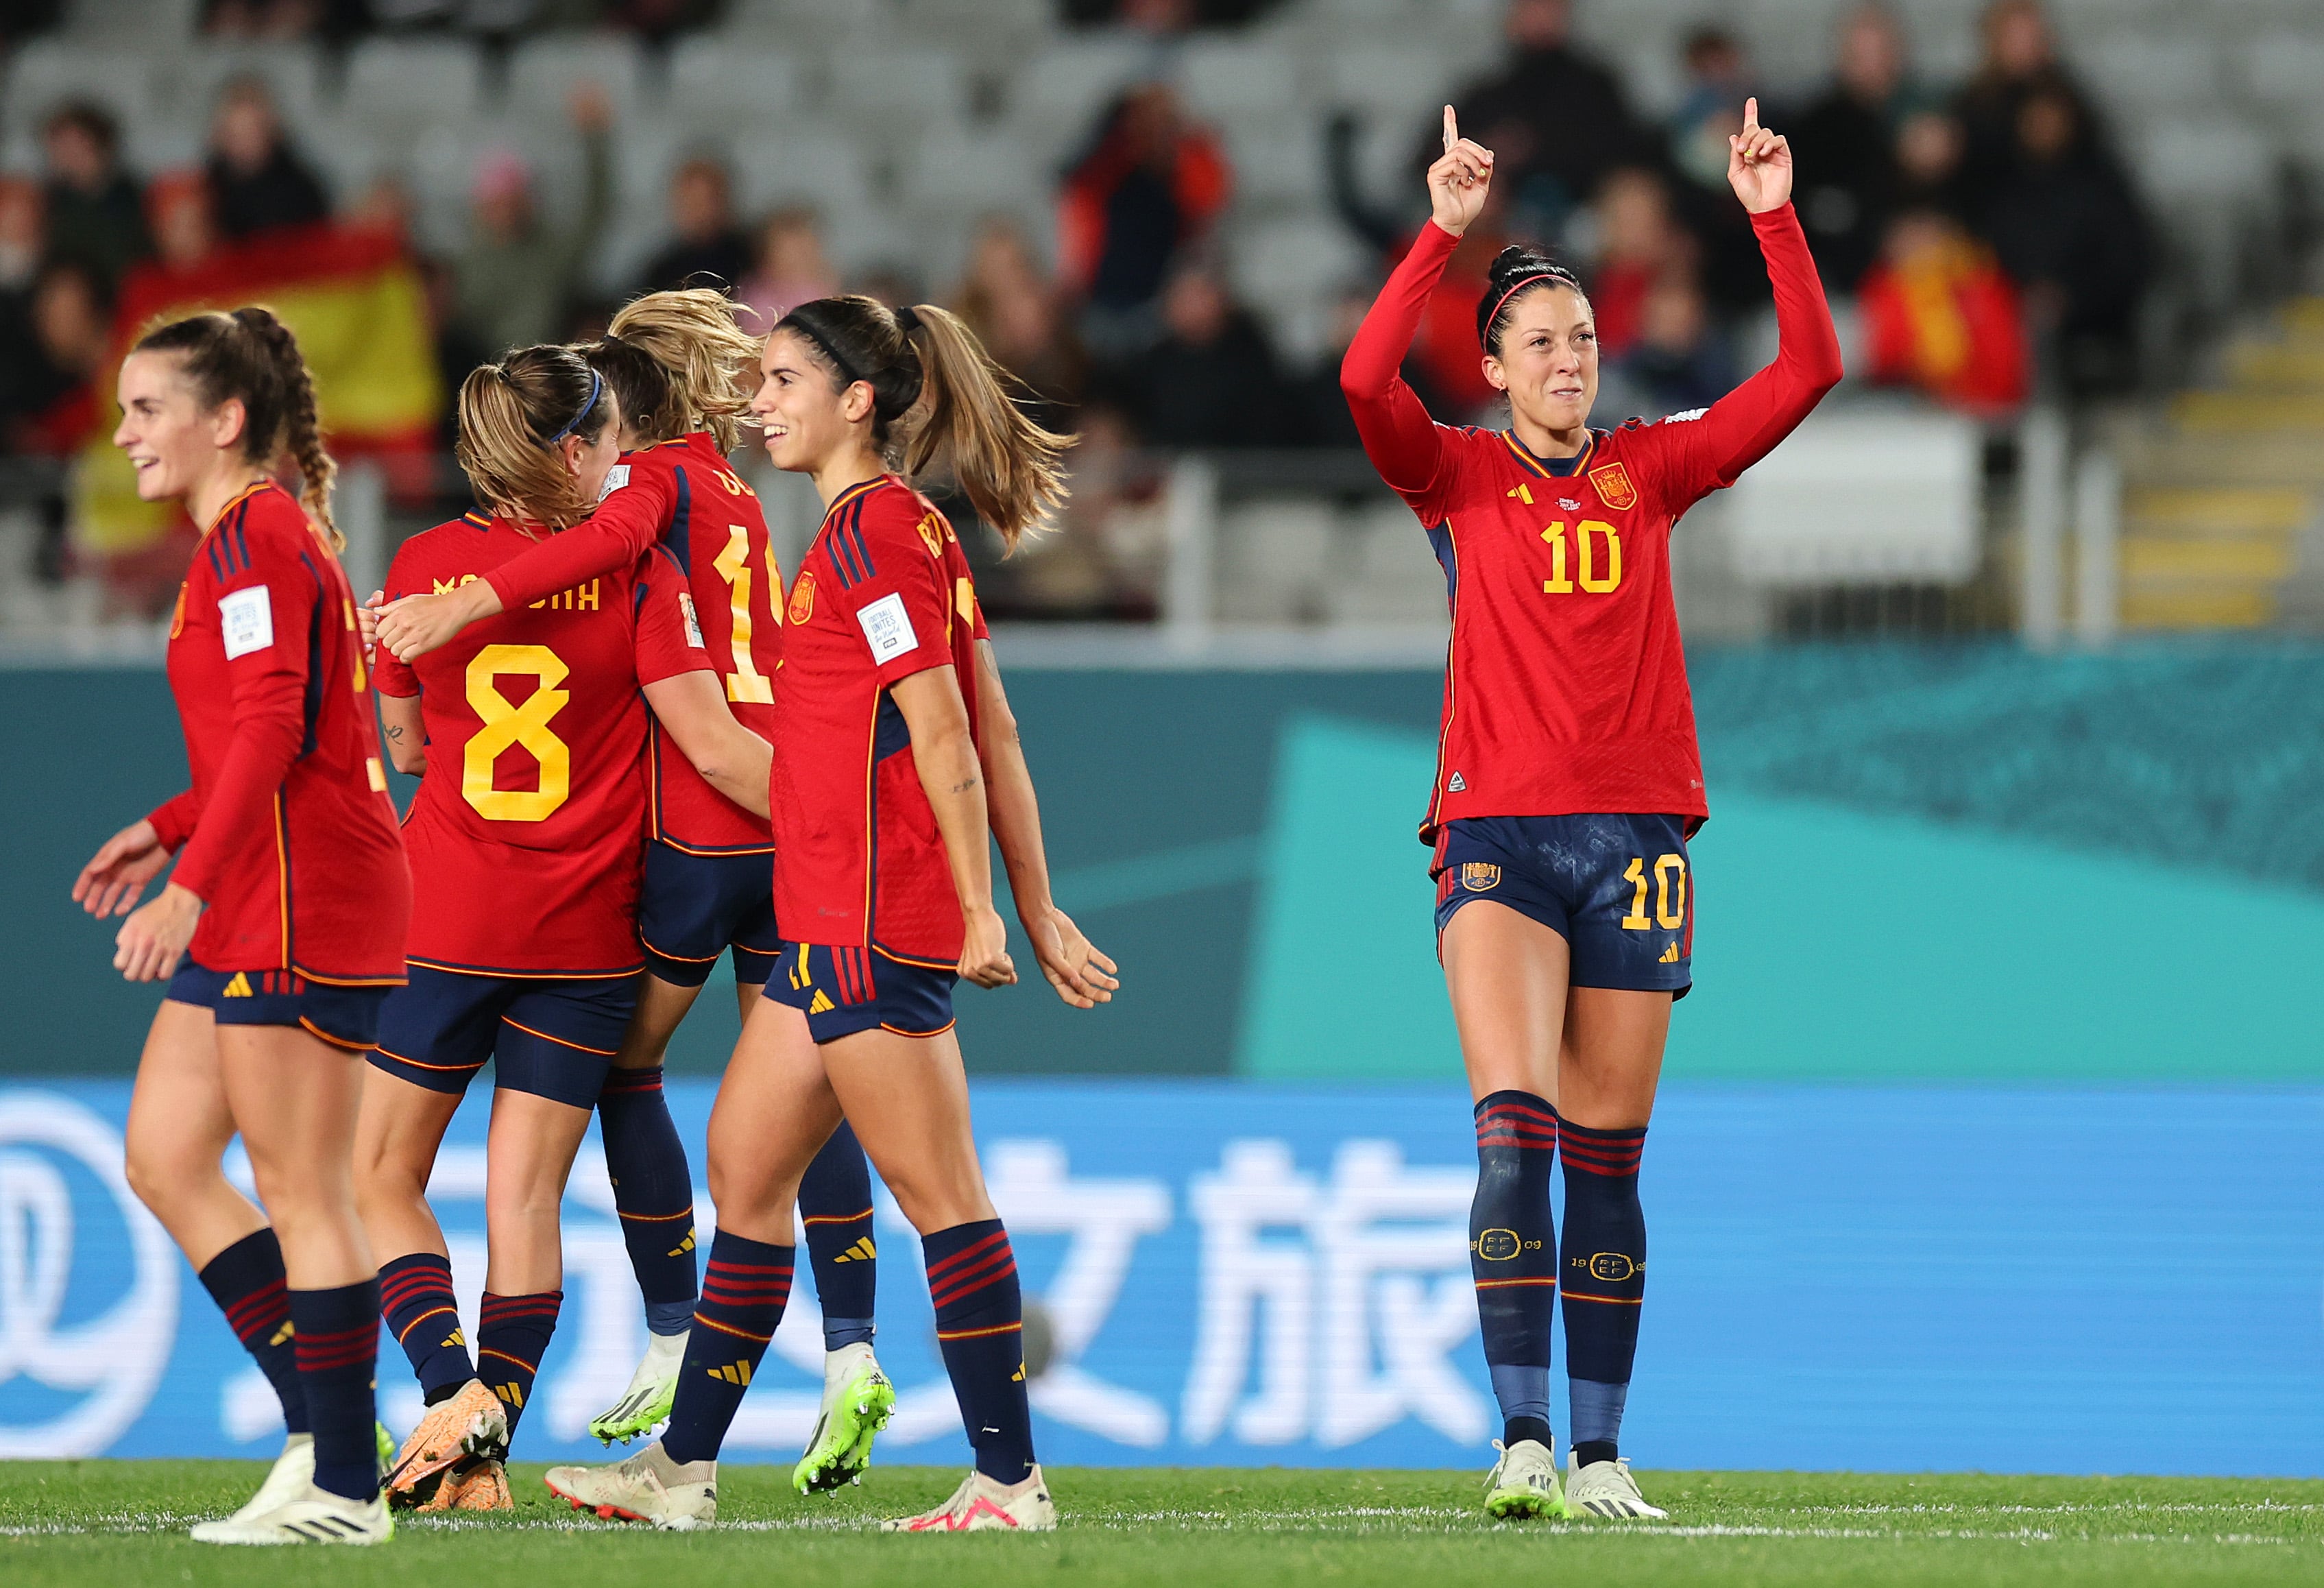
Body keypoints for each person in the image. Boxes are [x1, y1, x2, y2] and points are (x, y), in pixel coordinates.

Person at [534, 295, 1117, 1532]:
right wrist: (1038, 899)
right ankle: (680, 1475)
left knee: (944, 1200)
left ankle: (1010, 1482)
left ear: (859, 401)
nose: (762, 401)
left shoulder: (870, 541)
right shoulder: (895, 530)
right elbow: (994, 724)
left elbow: (953, 731)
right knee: (747, 1178)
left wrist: (986, 912)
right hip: (824, 922)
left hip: (870, 916)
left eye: (788, 380)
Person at [1340, 102, 1839, 1521]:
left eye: (1580, 338)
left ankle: (1607, 1454)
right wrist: (1441, 234)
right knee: (1516, 1128)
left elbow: (1811, 366)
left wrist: (1771, 215)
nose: (1568, 360)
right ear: (1492, 367)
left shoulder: (1651, 468)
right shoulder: (1454, 474)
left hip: (1638, 845)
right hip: (1496, 838)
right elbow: (1364, 376)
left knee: (1610, 1160)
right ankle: (1519, 1440)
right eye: (1539, 342)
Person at [352, 344, 771, 1513]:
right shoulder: (642, 575)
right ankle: (481, 1438)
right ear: (579, 449)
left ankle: (455, 1392)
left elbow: (403, 749)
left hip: (443, 920)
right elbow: (711, 743)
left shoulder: (425, 567)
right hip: (588, 942)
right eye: (613, 439)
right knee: (521, 1199)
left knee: (378, 1174)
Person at [73, 306, 409, 1544]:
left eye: (146, 409)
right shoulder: (247, 537)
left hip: (294, 894)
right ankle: (323, 1428)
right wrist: (169, 826)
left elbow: (275, 729)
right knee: (164, 1152)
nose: (123, 435)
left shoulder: (257, 533)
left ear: (226, 420)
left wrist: (189, 884)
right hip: (254, 876)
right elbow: (270, 731)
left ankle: (342, 1491)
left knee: (303, 1188)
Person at [567, 290, 900, 1494]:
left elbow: (673, 694)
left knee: (620, 1067)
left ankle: (669, 1336)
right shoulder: (746, 498)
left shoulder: (646, 491)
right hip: (787, 823)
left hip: (707, 828)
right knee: (814, 1093)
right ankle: (851, 1350)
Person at [452, 85, 615, 355]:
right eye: (497, 202)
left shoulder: (550, 256)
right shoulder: (465, 266)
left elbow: (595, 214)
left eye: (512, 201)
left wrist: (595, 140)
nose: (505, 211)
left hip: (549, 374)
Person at [204, 75, 331, 241]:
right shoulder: (203, 194)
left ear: (272, 130)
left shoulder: (301, 191)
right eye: (237, 134)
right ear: (220, 135)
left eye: (254, 131)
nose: (246, 143)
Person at [40, 101, 151, 287]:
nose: (67, 154)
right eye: (60, 146)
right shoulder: (49, 204)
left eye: (75, 144)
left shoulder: (136, 199)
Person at [636, 156, 753, 296]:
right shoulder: (661, 271)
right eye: (690, 200)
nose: (698, 209)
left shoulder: (754, 260)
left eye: (706, 199)